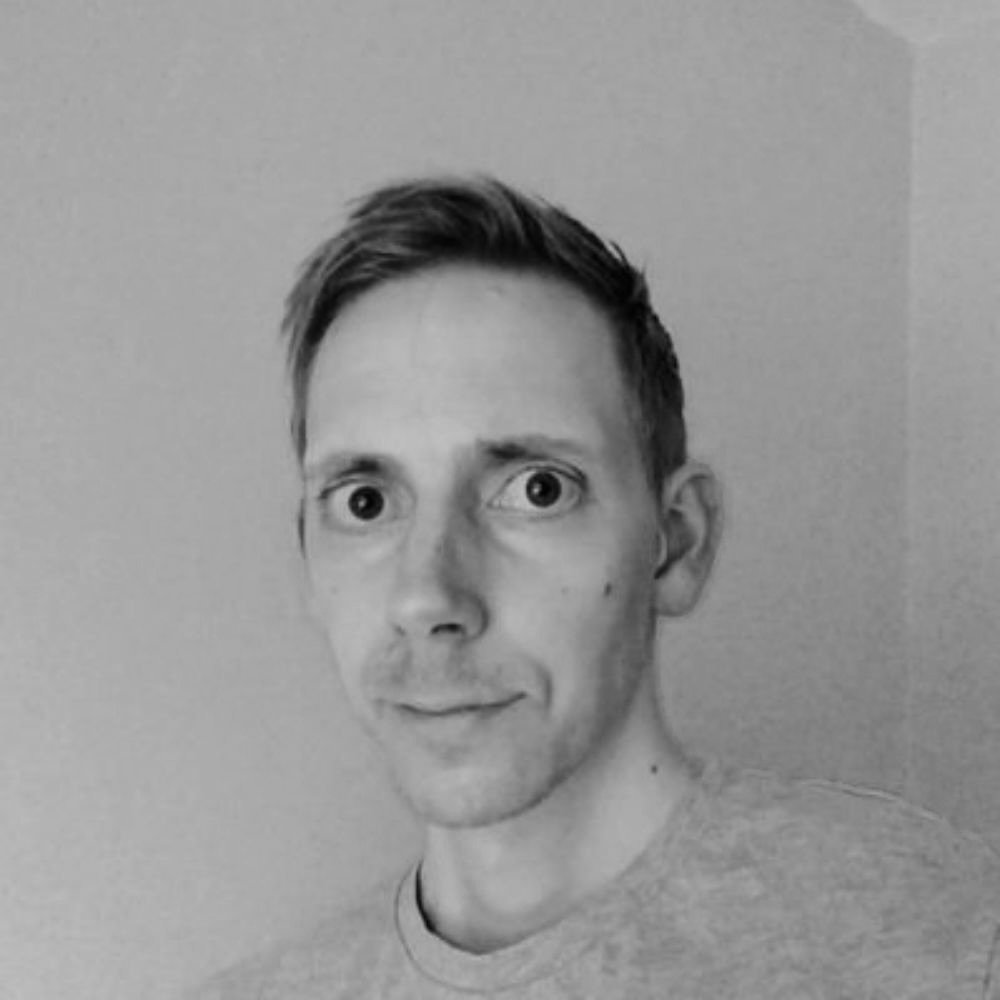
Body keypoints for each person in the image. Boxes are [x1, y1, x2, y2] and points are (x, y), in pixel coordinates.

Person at [193, 176, 1000, 998]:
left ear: (676, 541)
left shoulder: (953, 944)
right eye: (365, 503)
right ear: (308, 562)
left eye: (537, 489)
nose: (428, 598)